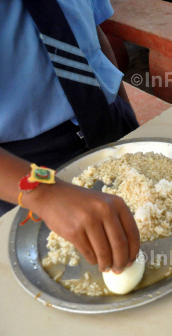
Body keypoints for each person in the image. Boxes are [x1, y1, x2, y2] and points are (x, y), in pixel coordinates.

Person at [0, 0, 140, 274]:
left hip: (110, 117)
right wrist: (44, 192)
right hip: (26, 171)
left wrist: (130, 124)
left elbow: (92, 37)